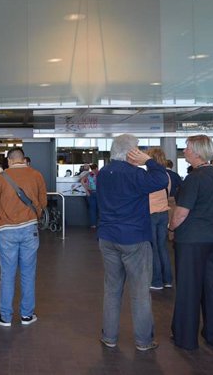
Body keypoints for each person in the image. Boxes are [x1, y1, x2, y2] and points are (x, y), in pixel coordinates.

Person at [96, 135, 167, 351]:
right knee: (139, 293)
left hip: (107, 238)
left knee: (112, 289)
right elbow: (162, 180)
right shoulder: (135, 174)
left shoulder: (102, 174)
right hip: (134, 239)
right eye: (137, 149)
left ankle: (109, 337)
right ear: (131, 153)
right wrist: (149, 161)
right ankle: (144, 341)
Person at [169, 135, 213, 350]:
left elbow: (181, 214)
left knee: (188, 288)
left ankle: (185, 337)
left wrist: (170, 228)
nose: (184, 151)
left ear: (195, 151)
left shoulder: (194, 179)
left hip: (192, 240)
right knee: (212, 288)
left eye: (186, 148)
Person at [0, 147, 47, 327]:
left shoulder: (1, 177)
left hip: (6, 231)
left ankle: (5, 317)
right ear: (23, 160)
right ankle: (27, 316)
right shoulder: (36, 175)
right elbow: (43, 202)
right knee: (28, 273)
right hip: (30, 229)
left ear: (9, 161)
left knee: (7, 274)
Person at [146, 148, 173, 291]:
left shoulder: (149, 175)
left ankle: (156, 281)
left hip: (150, 214)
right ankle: (167, 279)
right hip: (164, 213)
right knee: (162, 247)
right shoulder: (166, 175)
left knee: (153, 248)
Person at [81, 163, 99, 228]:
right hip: (98, 193)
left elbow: (82, 181)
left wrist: (86, 190)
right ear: (96, 168)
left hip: (90, 192)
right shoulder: (99, 174)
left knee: (92, 209)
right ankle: (99, 224)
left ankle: (93, 224)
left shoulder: (88, 174)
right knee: (99, 209)